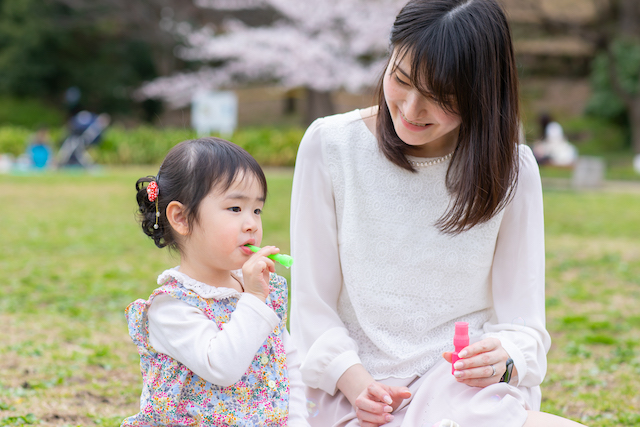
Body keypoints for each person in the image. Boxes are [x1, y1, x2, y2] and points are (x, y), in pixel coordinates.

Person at [289, 0, 587, 426]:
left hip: (462, 399)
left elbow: (524, 328)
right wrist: (357, 385)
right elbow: (311, 309)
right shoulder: (330, 146)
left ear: (482, 96)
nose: (410, 110)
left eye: (440, 98)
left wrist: (503, 359)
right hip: (356, 395)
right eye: (401, 79)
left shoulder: (512, 171)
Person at [122, 137, 310, 426]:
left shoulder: (258, 288)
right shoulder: (171, 307)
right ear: (181, 218)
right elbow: (222, 366)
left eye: (257, 210)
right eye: (235, 209)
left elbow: (288, 363)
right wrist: (255, 299)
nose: (251, 224)